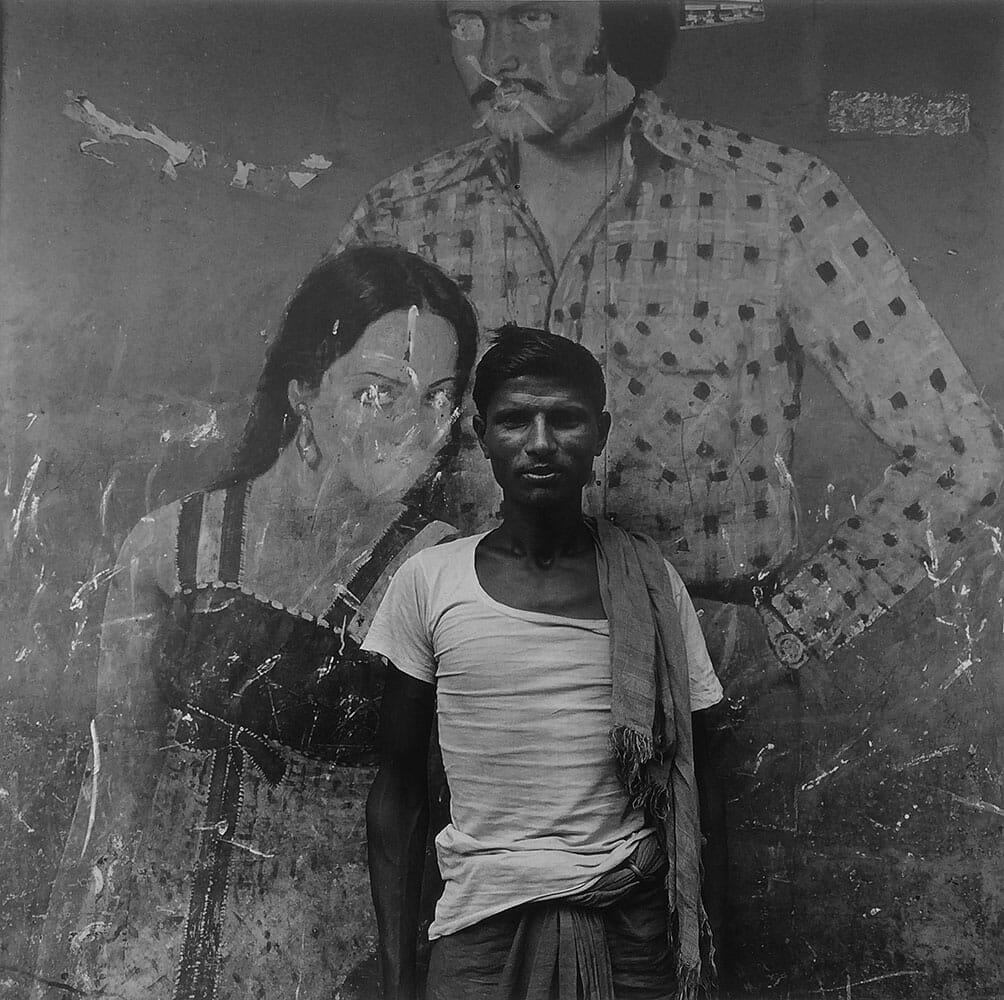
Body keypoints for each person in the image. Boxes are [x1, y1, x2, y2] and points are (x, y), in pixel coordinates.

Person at [334, 0, 1004, 669]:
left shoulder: (772, 199)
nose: (494, 57)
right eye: (466, 23)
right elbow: (315, 453)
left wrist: (784, 633)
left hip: (701, 698)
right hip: (457, 680)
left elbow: (960, 451)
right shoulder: (399, 218)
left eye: (532, 17)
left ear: (619, 20)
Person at [33, 246, 478, 1000]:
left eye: (439, 398)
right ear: (303, 390)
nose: (415, 428)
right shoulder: (169, 543)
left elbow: (451, 826)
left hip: (335, 969)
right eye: (380, 393)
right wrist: (67, 948)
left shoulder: (442, 574)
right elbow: (113, 789)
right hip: (142, 961)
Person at [362, 326, 725, 1000]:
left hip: (630, 933)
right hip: (478, 932)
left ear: (600, 433)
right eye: (514, 420)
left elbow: (702, 780)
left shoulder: (649, 584)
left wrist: (710, 949)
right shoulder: (430, 582)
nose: (539, 442)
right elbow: (399, 789)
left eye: (564, 419)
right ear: (480, 434)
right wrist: (396, 979)